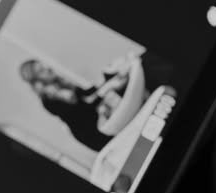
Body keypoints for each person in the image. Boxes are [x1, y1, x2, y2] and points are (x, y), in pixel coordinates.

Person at [18, 50, 172, 153]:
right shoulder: (49, 102)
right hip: (96, 133)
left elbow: (89, 94)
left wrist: (108, 77)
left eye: (43, 64)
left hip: (102, 118)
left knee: (142, 62)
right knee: (139, 72)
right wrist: (107, 87)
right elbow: (86, 109)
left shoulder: (63, 83)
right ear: (37, 80)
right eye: (41, 70)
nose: (47, 67)